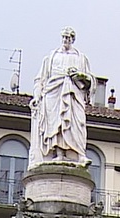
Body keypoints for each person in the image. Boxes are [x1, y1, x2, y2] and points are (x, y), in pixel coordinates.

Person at [29, 26, 94, 166]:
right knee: (55, 125)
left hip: (73, 95)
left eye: (69, 38)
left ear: (73, 39)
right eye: (64, 37)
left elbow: (90, 81)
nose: (66, 40)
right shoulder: (51, 57)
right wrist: (36, 96)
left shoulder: (81, 58)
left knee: (76, 123)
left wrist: (80, 75)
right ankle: (58, 154)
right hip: (53, 93)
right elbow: (40, 79)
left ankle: (79, 155)